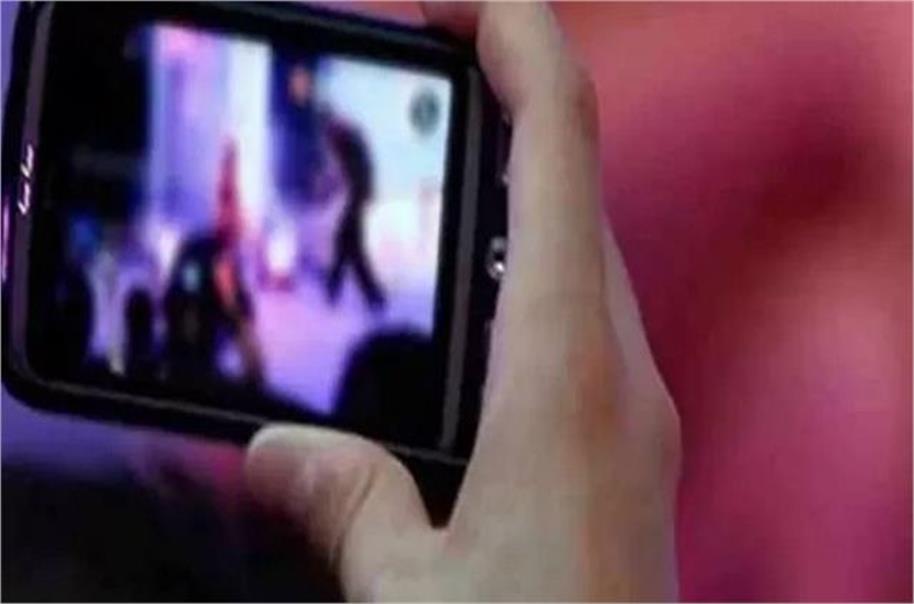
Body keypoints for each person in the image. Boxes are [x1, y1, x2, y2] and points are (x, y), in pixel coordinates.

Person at [245, 3, 681, 601]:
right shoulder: (342, 141)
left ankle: (359, 290)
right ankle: (360, 290)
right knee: (352, 258)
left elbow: (353, 174)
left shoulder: (344, 141)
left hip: (357, 207)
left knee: (351, 256)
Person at [163, 142, 264, 386]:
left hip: (202, 344)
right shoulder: (197, 252)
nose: (235, 217)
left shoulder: (227, 261)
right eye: (229, 210)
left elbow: (241, 313)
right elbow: (188, 289)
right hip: (187, 346)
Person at [324, 119, 386, 310]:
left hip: (357, 198)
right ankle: (337, 290)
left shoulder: (348, 145)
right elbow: (346, 175)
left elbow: (352, 175)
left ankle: (335, 290)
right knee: (349, 248)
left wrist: (358, 193)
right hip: (358, 197)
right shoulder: (349, 144)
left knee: (346, 245)